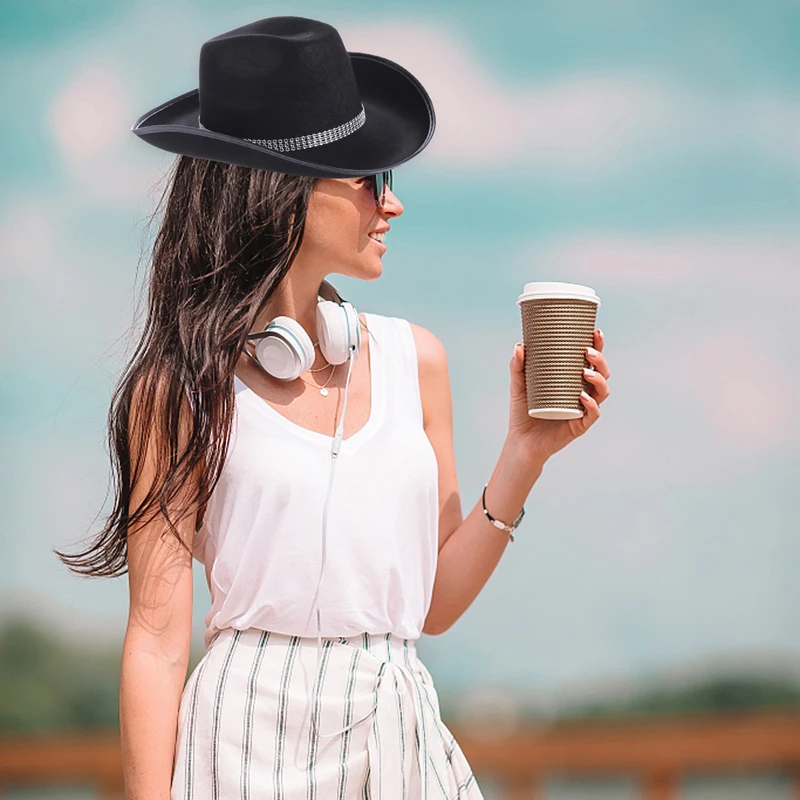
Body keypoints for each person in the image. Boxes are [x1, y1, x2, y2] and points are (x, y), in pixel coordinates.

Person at [55, 15, 611, 800]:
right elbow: (153, 638)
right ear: (282, 192)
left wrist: (525, 453)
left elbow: (432, 606)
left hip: (397, 729)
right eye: (370, 180)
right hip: (242, 741)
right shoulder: (177, 394)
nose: (393, 207)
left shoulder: (417, 360)